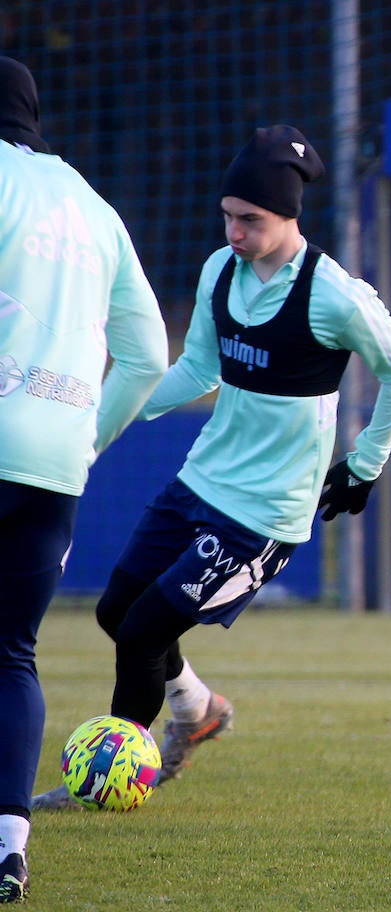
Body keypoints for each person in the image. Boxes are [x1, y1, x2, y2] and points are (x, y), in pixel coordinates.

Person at [33, 124, 391, 810]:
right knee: (117, 610)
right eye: (227, 218)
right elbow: (197, 369)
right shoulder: (220, 272)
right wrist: (106, 414)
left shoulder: (333, 294)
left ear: (289, 215)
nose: (234, 233)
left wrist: (365, 463)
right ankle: (197, 709)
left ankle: (105, 779)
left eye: (250, 220)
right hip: (199, 483)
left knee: (146, 630)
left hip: (263, 516)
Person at [0, 56, 169, 901]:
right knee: (12, 654)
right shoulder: (92, 206)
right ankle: (8, 845)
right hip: (52, 464)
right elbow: (149, 355)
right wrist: (85, 437)